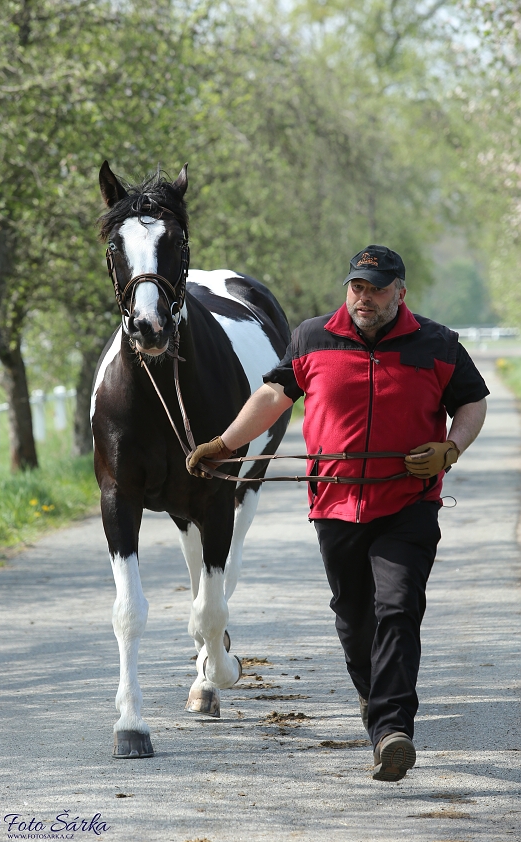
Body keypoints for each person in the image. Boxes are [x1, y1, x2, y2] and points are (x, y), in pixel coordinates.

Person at [186, 245, 489, 782]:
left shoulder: (438, 344)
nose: (364, 297)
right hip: (335, 504)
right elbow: (275, 395)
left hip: (408, 502)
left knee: (398, 608)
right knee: (353, 615)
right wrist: (226, 443)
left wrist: (452, 446)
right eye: (357, 286)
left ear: (400, 291)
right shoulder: (311, 337)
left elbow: (472, 402)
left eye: (375, 288)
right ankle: (376, 703)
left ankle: (393, 729)